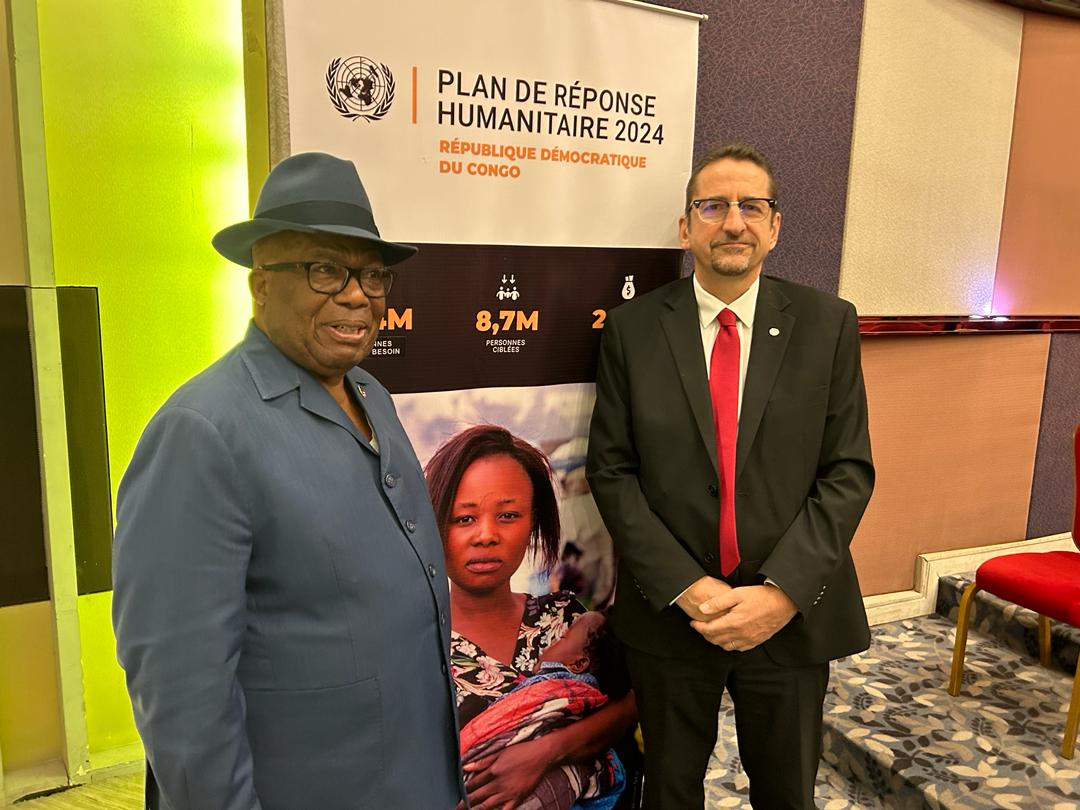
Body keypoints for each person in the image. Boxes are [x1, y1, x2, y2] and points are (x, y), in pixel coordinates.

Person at [112, 152, 464, 809]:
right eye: (324, 270)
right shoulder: (201, 432)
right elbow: (182, 696)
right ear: (260, 285)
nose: (356, 295)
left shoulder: (372, 395)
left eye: (372, 275)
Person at [586, 143, 875, 809]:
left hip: (790, 616)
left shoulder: (828, 324)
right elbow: (612, 470)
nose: (733, 222)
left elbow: (848, 471)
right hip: (672, 616)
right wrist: (686, 588)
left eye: (752, 206)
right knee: (669, 791)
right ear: (686, 228)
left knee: (786, 793)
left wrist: (781, 594)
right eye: (713, 206)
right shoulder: (632, 330)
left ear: (775, 227)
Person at [424, 424, 637, 810]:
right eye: (464, 519)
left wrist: (546, 752)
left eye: (508, 515)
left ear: (533, 522)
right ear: (435, 523)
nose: (486, 535)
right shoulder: (413, 641)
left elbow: (634, 704)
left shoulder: (565, 619)